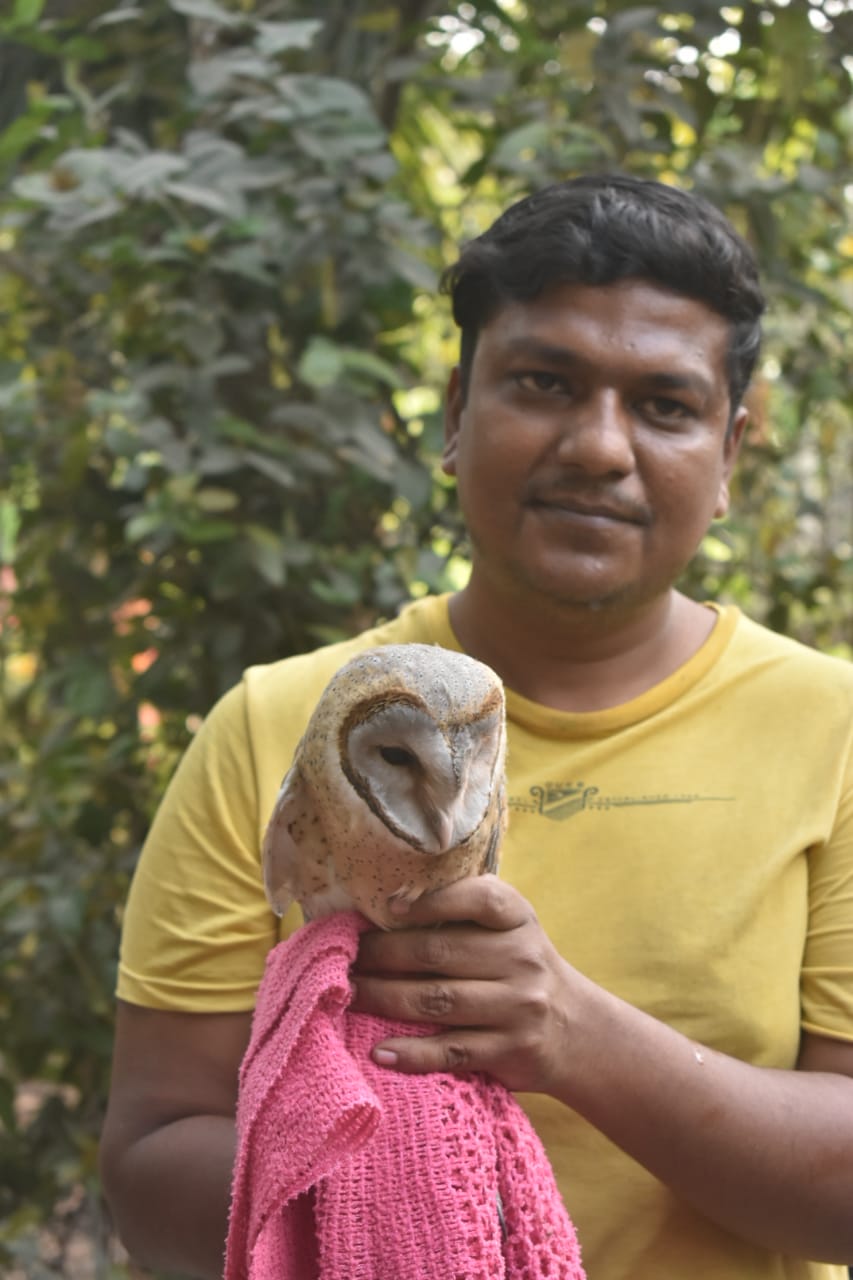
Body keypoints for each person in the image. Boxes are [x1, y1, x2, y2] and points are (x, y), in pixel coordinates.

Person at [99, 173, 853, 1280]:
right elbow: (151, 1163)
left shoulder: (833, 733)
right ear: (458, 412)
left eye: (664, 405)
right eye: (545, 382)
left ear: (730, 450)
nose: (598, 447)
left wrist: (578, 1039)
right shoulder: (273, 725)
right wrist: (403, 1191)